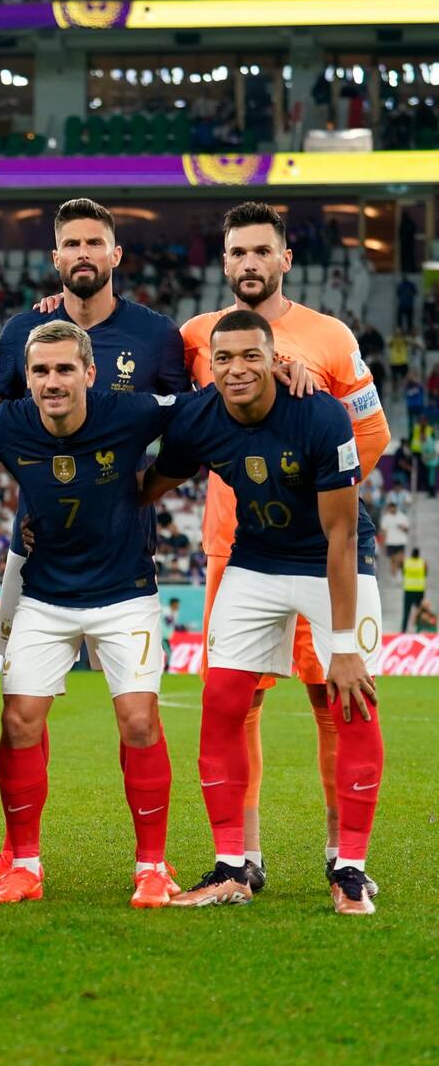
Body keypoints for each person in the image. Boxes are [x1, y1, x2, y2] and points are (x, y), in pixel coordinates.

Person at [0, 196, 189, 893]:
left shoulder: (155, 335)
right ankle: (19, 857)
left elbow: (189, 421)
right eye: (71, 244)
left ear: (115, 254)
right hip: (36, 555)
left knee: (136, 715)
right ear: (56, 257)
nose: (83, 254)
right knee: (19, 711)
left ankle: (152, 863)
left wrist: (149, 489)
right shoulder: (24, 330)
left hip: (122, 554)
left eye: (95, 242)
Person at [142, 309, 383, 915]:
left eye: (251, 356)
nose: (236, 369)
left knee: (351, 701)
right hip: (255, 560)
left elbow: (341, 535)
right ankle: (232, 867)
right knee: (223, 700)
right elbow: (150, 486)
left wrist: (344, 647)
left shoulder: (320, 415)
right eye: (223, 358)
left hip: (331, 562)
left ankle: (350, 870)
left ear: (275, 360)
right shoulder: (198, 417)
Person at [179, 202, 390, 891]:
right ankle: (245, 857)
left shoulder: (330, 337)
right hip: (232, 547)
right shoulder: (195, 337)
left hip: (317, 549)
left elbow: (372, 434)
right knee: (238, 702)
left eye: (261, 251)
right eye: (238, 252)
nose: (249, 263)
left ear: (285, 260)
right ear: (225, 261)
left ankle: (339, 853)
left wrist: (314, 491)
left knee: (333, 696)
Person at [379, 501, 410, 581]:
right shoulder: (386, 518)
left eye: (393, 508)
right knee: (392, 560)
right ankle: (393, 576)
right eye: (390, 508)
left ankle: (399, 574)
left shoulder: (402, 517)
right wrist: (383, 544)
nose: (391, 509)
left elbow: (407, 529)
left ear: (395, 508)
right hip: (390, 542)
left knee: (400, 559)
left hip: (400, 541)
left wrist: (402, 527)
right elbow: (384, 531)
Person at [402, 548, 427, 632]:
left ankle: (403, 630)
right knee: (420, 612)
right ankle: (419, 630)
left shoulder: (407, 562)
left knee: (406, 612)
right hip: (419, 590)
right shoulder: (422, 563)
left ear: (411, 554)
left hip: (408, 590)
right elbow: (425, 574)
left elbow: (403, 572)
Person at [161, 597, 180, 667]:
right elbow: (168, 622)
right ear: (172, 604)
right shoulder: (166, 611)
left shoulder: (175, 613)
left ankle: (164, 667)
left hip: (166, 637)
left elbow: (173, 625)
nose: (178, 606)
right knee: (168, 653)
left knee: (166, 653)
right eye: (177, 605)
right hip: (161, 637)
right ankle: (166, 668)